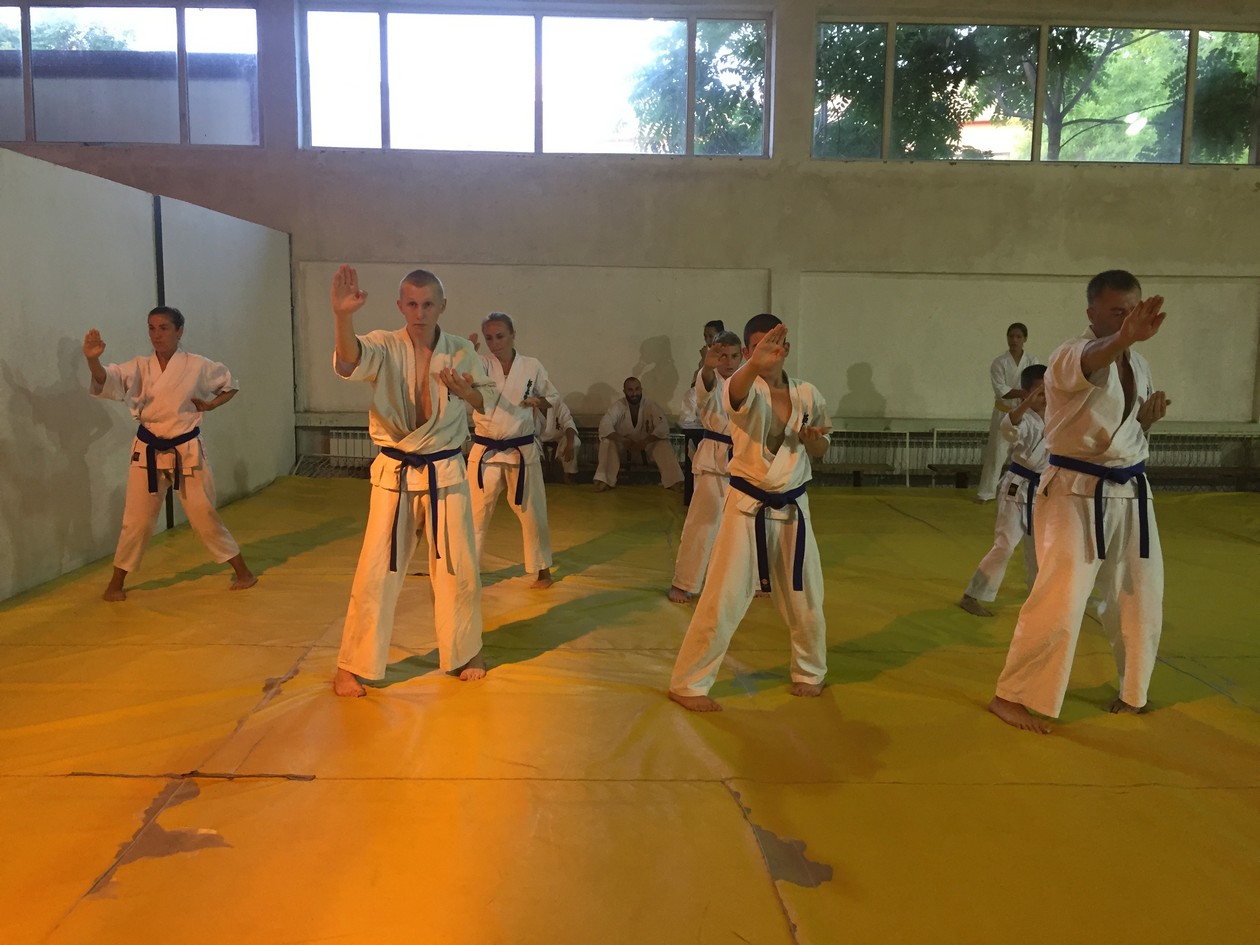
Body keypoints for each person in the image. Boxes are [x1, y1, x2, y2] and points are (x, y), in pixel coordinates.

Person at [989, 270, 1170, 733]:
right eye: (1117, 312)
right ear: (1092, 312)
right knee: (1061, 597)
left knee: (1140, 595)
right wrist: (1123, 337)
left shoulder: (1139, 363)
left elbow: (1113, 432)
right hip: (1074, 492)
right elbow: (1092, 361)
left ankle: (1134, 691)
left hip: (1131, 491)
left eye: (1133, 310)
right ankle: (1013, 695)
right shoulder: (1070, 353)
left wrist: (1145, 422)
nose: (1127, 319)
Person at [329, 265, 497, 698]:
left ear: (442, 306)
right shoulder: (384, 344)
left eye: (427, 304)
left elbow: (485, 400)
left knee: (458, 568)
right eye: (412, 304)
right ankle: (352, 664)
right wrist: (342, 317)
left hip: (445, 471)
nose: (419, 313)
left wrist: (465, 392)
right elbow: (349, 361)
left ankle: (467, 651)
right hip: (396, 473)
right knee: (376, 572)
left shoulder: (461, 350)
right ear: (400, 306)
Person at [669, 315, 831, 711]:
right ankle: (689, 683)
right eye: (758, 347)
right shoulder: (740, 386)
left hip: (794, 508)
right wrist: (754, 365)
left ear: (786, 348)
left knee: (807, 595)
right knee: (723, 596)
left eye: (775, 345)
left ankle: (810, 670)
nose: (768, 352)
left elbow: (822, 447)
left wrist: (813, 441)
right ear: (747, 352)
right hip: (746, 508)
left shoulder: (808, 393)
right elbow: (735, 393)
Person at [84, 307, 256, 601]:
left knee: (203, 514)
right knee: (136, 520)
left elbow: (230, 385)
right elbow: (106, 379)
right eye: (151, 328)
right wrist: (92, 360)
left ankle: (243, 572)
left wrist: (211, 405)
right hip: (147, 450)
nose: (156, 335)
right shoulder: (139, 366)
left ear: (180, 331)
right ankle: (116, 583)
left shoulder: (198, 365)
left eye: (163, 328)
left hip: (186, 449)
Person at [467, 312, 559, 589]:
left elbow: (552, 398)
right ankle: (467, 571)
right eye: (489, 338)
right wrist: (466, 354)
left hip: (521, 447)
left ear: (512, 335)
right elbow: (461, 384)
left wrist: (538, 401)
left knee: (532, 512)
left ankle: (542, 570)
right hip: (486, 449)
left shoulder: (531, 366)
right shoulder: (480, 363)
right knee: (474, 513)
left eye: (500, 336)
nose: (495, 343)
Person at [959, 363, 1048, 617]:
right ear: (1026, 393)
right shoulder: (1023, 417)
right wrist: (1026, 403)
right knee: (1005, 545)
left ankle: (1038, 594)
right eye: (1039, 392)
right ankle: (972, 595)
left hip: (1043, 490)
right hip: (1017, 488)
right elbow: (1009, 428)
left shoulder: (1058, 416)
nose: (1045, 397)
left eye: (1048, 390)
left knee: (1040, 548)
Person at [668, 330, 743, 604]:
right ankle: (684, 582)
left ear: (743, 355)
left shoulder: (750, 382)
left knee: (748, 525)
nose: (729, 362)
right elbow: (707, 385)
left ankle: (754, 579)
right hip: (714, 459)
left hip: (745, 460)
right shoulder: (707, 380)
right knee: (702, 524)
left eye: (734, 356)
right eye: (723, 356)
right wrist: (708, 367)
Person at [977, 323, 1037, 502]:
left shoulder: (1032, 361)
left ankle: (1019, 492)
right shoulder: (999, 362)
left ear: (1025, 339)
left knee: (1025, 455)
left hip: (1025, 414)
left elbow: (1037, 384)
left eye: (1018, 337)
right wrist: (1024, 393)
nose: (1014, 340)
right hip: (1003, 413)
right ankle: (986, 493)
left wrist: (1030, 395)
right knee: (996, 454)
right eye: (1011, 336)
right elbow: (1001, 390)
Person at [593, 377, 683, 492]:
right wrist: (622, 440)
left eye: (637, 389)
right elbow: (605, 424)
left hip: (647, 444)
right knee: (607, 441)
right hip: (623, 444)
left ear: (641, 389)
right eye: (630, 390)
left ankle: (674, 481)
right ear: (624, 391)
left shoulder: (651, 405)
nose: (634, 393)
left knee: (662, 443)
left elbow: (663, 427)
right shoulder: (618, 406)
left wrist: (646, 441)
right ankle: (604, 480)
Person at [681, 320, 727, 505]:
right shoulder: (704, 361)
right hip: (706, 427)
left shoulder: (726, 362)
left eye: (711, 336)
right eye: (705, 336)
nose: (707, 340)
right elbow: (700, 389)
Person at [537, 400, 579, 484]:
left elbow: (569, 424)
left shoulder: (559, 405)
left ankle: (568, 475)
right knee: (528, 445)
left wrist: (570, 444)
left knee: (575, 441)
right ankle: (536, 476)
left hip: (558, 444)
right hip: (537, 443)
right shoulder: (529, 407)